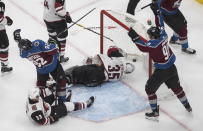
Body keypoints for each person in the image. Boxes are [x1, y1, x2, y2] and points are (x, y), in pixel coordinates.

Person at [127, 8, 192, 121]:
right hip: (172, 68)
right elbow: (161, 25)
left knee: (149, 89)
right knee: (177, 89)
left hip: (162, 72)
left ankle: (155, 112)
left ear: (152, 36)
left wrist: (134, 36)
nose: (149, 37)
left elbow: (142, 47)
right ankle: (187, 106)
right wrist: (158, 14)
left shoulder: (152, 44)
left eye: (149, 36)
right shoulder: (164, 36)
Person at [13, 29, 68, 103]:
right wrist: (53, 42)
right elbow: (53, 50)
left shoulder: (23, 54)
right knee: (61, 81)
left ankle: (42, 100)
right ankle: (62, 100)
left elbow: (23, 49)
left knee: (41, 86)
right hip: (52, 65)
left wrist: (19, 41)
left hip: (41, 70)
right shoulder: (37, 43)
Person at [65, 46, 135, 87]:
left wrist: (92, 61)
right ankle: (69, 80)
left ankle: (64, 79)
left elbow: (111, 51)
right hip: (97, 81)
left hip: (95, 72)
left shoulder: (121, 60)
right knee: (78, 78)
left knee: (76, 70)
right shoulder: (120, 76)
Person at [26, 86, 95, 125]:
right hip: (48, 114)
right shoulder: (35, 112)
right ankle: (86, 104)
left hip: (44, 107)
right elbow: (43, 121)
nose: (38, 96)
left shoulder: (33, 98)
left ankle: (62, 102)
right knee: (68, 106)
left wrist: (51, 88)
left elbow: (42, 94)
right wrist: (53, 119)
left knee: (54, 94)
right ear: (33, 97)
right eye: (37, 96)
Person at [0, 1, 13, 73]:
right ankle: (4, 66)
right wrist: (7, 20)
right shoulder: (1, 4)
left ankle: (4, 66)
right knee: (4, 47)